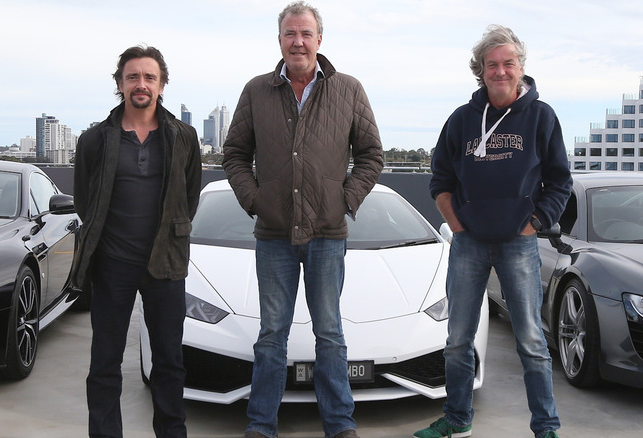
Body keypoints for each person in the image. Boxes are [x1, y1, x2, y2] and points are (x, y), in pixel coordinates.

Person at [221, 2, 384, 438]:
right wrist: (255, 200)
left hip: (328, 234)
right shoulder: (257, 91)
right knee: (271, 334)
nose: (298, 41)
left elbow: (372, 156)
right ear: (279, 40)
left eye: (306, 33)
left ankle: (340, 425)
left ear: (319, 39)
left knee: (329, 333)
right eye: (290, 34)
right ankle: (260, 425)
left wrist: (345, 200)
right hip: (273, 233)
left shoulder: (348, 89)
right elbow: (234, 154)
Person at [413, 25, 571, 438]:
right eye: (491, 65)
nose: (500, 72)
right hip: (469, 242)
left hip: (519, 244)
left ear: (521, 68)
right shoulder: (462, 120)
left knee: (532, 342)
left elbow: (559, 181)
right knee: (457, 340)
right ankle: (458, 420)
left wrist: (534, 224)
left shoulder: (541, 116)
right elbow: (440, 178)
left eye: (508, 64)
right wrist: (456, 223)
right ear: (480, 71)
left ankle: (546, 427)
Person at [70, 45, 202, 438]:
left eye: (149, 77)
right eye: (132, 77)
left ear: (161, 85)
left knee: (169, 363)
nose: (140, 84)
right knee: (105, 362)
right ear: (119, 84)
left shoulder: (184, 137)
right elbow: (84, 199)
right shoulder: (95, 140)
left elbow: (189, 197)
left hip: (165, 264)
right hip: (112, 265)